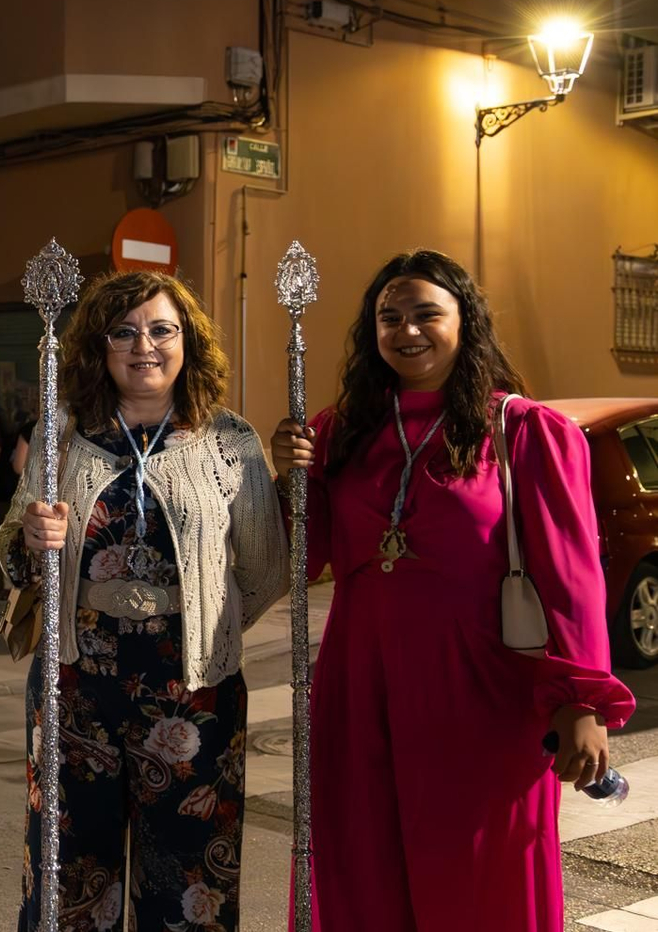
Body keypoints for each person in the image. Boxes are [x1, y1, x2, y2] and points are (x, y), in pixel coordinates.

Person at [269, 249, 635, 932]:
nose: (406, 330)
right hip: (361, 683)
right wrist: (286, 477)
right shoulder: (338, 431)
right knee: (361, 865)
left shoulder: (525, 432)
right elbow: (301, 555)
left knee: (479, 875)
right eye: (389, 317)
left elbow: (572, 577)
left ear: (466, 322)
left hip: (481, 692)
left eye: (426, 314)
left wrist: (581, 700)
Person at [0, 271, 286, 930]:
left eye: (162, 330)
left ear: (187, 342)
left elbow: (267, 569)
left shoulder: (230, 440)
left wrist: (208, 624)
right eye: (123, 332)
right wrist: (31, 539)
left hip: (193, 697)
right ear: (98, 348)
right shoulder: (63, 433)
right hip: (75, 689)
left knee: (186, 889)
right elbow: (17, 546)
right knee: (69, 883)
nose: (144, 345)